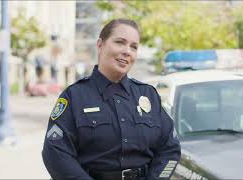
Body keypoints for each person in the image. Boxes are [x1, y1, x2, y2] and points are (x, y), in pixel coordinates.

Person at [42, 18, 181, 180]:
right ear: (100, 45)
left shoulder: (148, 95)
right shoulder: (74, 96)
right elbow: (55, 155)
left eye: (133, 47)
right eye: (120, 42)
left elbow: (170, 148)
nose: (127, 51)